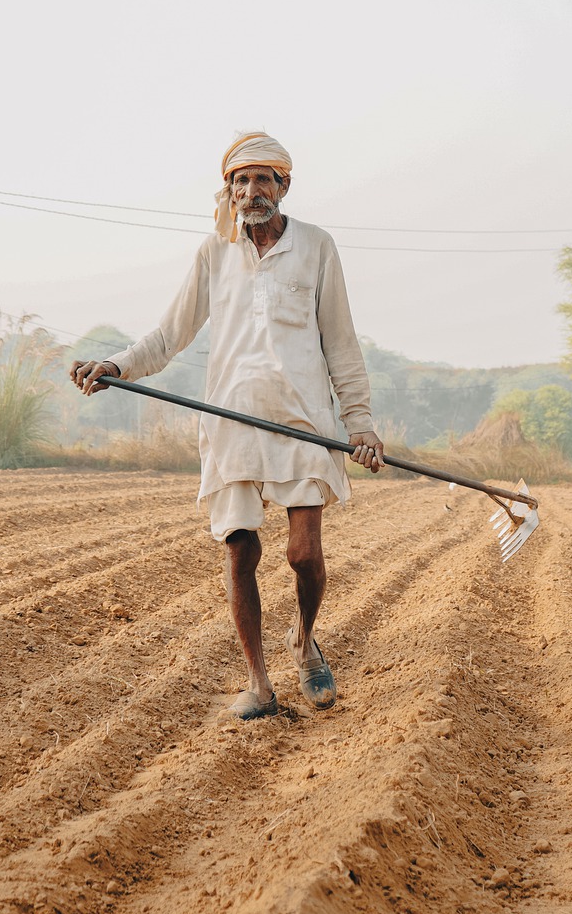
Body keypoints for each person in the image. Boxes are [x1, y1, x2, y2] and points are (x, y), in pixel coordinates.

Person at [69, 132, 384, 720]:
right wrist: (117, 365)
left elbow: (341, 341)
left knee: (302, 554)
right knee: (240, 551)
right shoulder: (213, 253)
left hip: (304, 421)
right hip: (232, 422)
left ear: (284, 186)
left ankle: (305, 639)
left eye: (262, 179)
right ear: (229, 191)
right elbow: (170, 334)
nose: (250, 191)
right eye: (240, 182)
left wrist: (360, 423)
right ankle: (259, 685)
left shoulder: (317, 246)